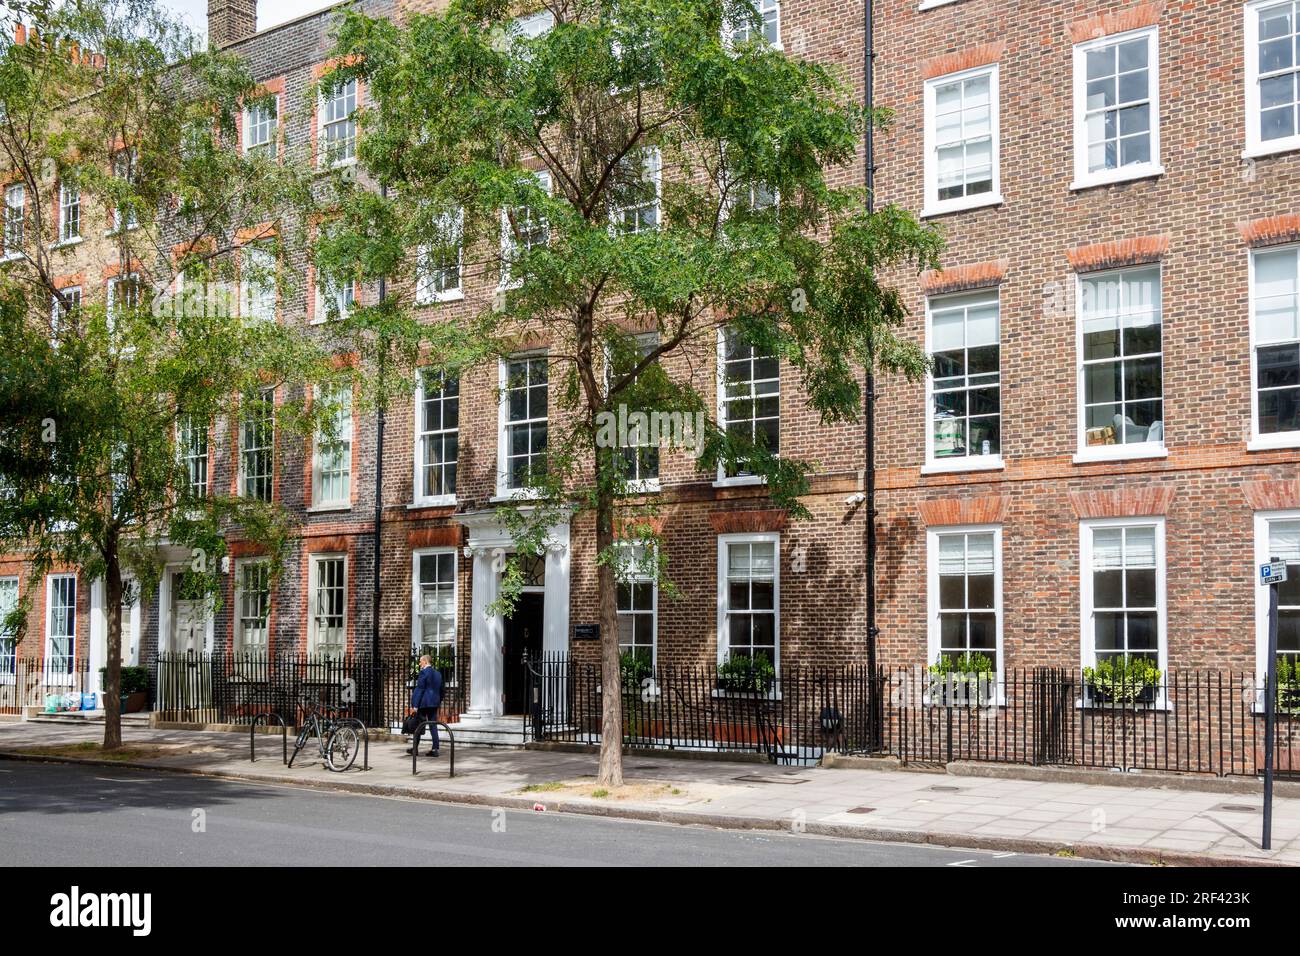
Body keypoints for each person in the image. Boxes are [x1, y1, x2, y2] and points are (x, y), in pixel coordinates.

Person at [407, 654, 443, 757]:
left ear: (426, 662)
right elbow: (442, 690)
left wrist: (415, 706)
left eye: (420, 661)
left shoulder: (423, 673)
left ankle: (415, 749)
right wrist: (438, 701)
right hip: (433, 704)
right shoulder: (438, 674)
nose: (419, 664)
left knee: (418, 726)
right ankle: (435, 749)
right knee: (433, 726)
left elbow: (420, 690)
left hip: (423, 704)